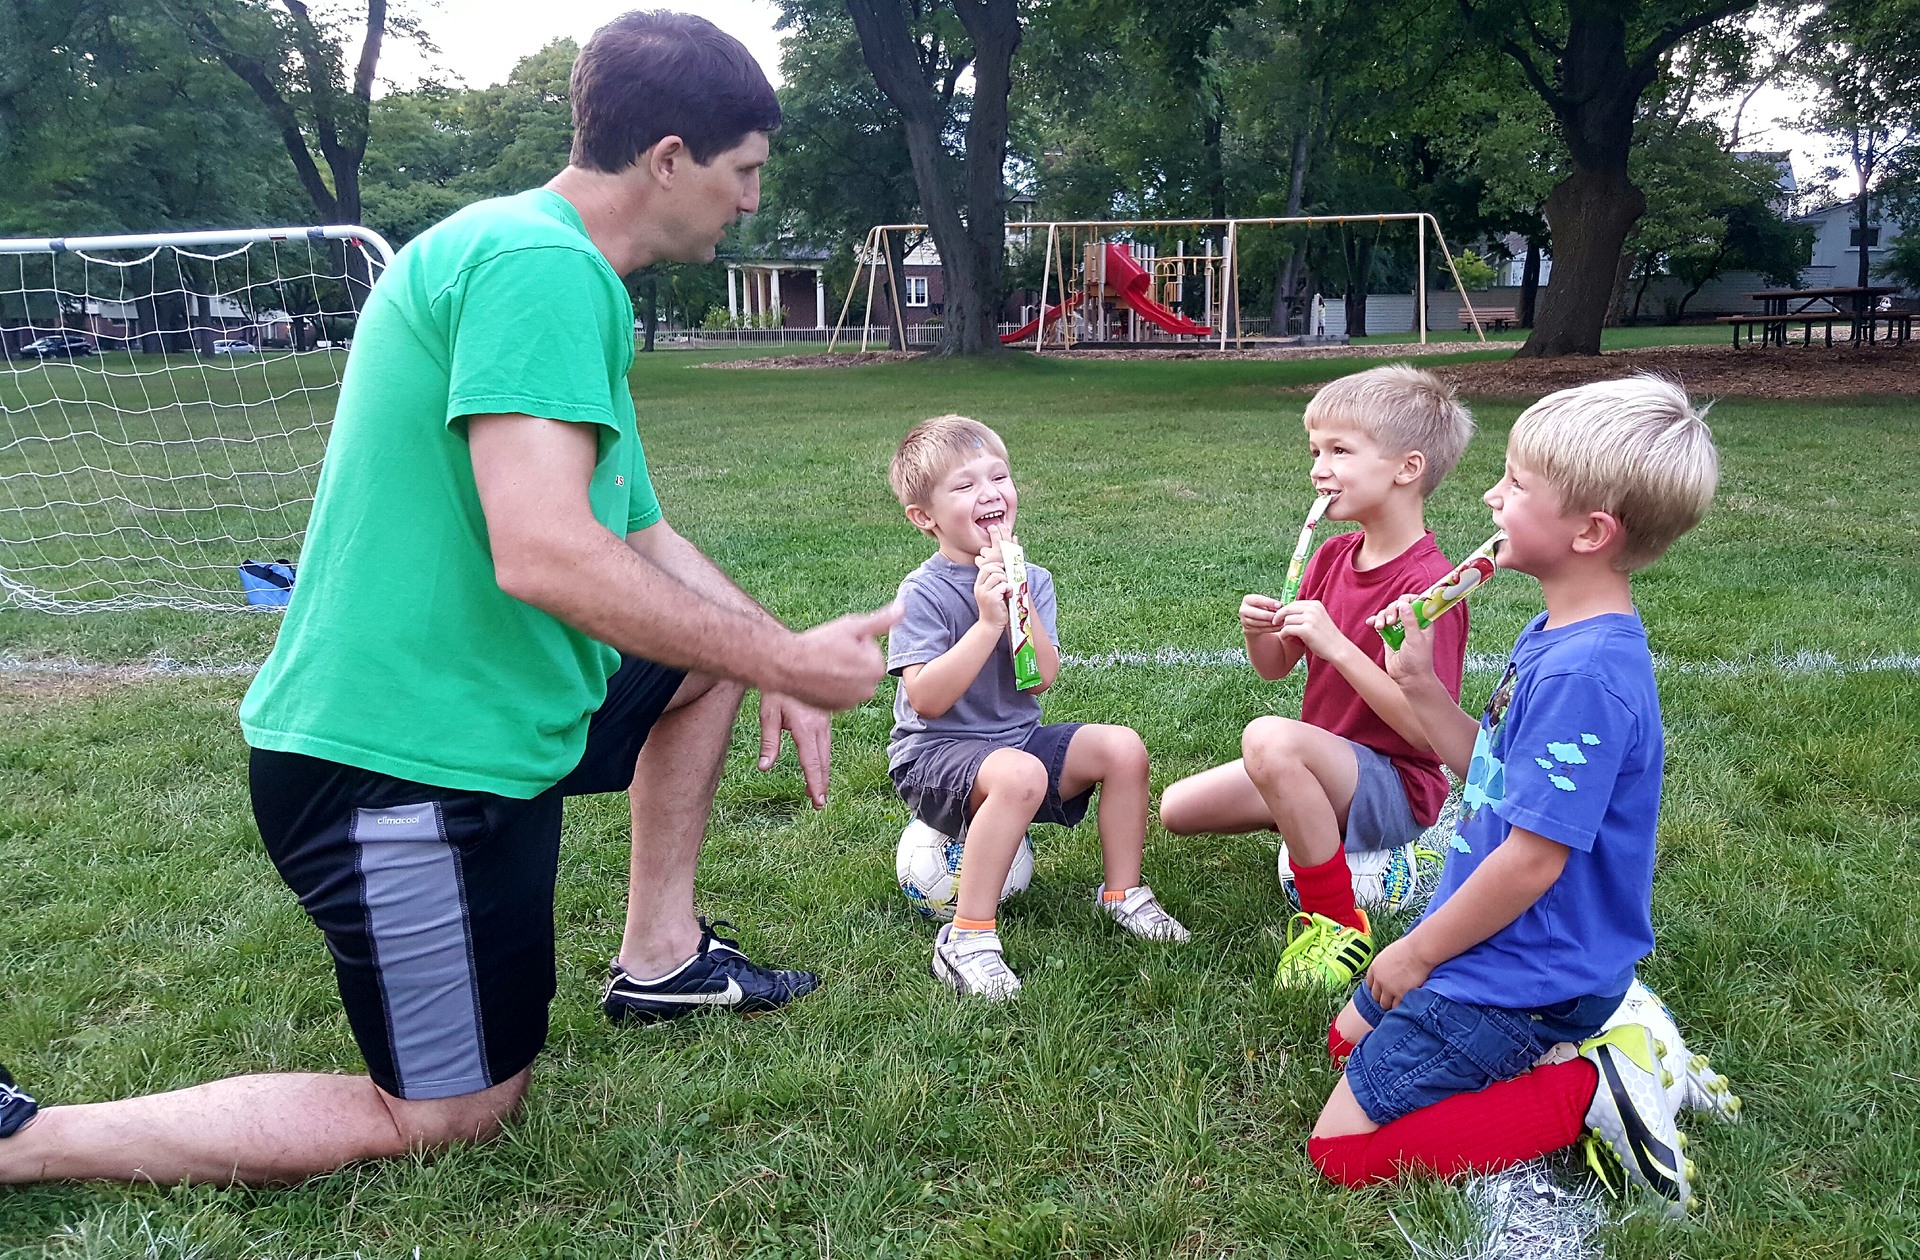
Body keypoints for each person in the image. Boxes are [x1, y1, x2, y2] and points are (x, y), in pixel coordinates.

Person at [0, 12, 897, 1186]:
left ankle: (661, 959)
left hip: (488, 719)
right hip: (399, 770)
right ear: (668, 158)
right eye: (744, 174)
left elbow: (636, 533)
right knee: (448, 1117)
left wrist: (769, 647)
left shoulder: (552, 264)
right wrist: (791, 664)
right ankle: (28, 1139)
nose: (749, 204)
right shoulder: (539, 266)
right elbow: (544, 553)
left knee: (710, 657)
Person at [1307, 375, 1720, 1209]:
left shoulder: (1587, 675)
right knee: (1343, 1044)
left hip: (1522, 970)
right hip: (1498, 944)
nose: (1492, 496)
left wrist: (1417, 951)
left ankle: (1596, 1087)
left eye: (1517, 485)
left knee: (1341, 1154)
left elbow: (1531, 863)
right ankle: (1588, 1036)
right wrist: (1421, 687)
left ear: (1590, 532)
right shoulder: (1555, 631)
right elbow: (1490, 778)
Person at [1159, 365, 1475, 988]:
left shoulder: (1429, 590)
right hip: (1331, 766)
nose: (1318, 469)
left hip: (1397, 785)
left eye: (1339, 451)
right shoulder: (1332, 556)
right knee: (1177, 809)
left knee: (1269, 740)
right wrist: (1260, 634)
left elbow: (1424, 736)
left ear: (1405, 469)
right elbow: (1276, 670)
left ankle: (1337, 921)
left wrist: (1338, 643)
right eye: (1315, 452)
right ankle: (1306, 811)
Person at [886, 415, 1191, 1001]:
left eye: (998, 477)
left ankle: (1123, 894)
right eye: (965, 485)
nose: (989, 493)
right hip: (934, 755)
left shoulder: (1033, 579)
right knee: (1020, 773)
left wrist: (1019, 604)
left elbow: (1040, 679)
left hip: (1015, 742)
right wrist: (985, 624)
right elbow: (925, 699)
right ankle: (966, 938)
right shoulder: (922, 592)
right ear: (924, 517)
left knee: (1121, 748)